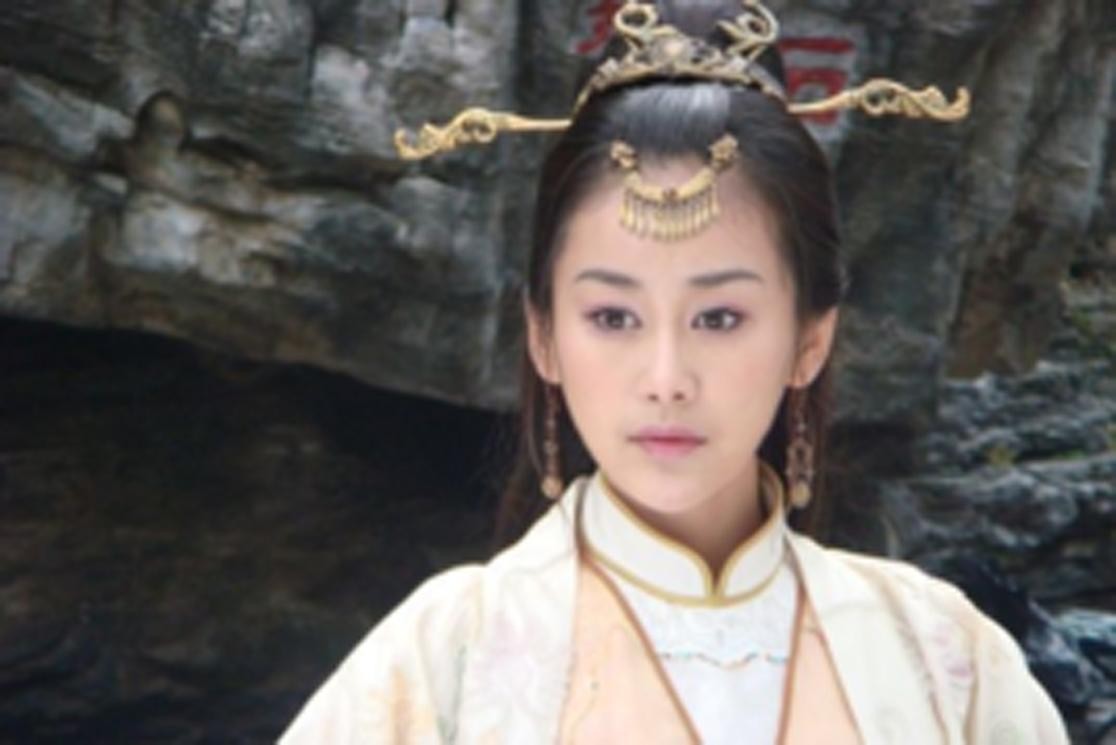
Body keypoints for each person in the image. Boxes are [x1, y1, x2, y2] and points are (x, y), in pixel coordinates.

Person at [280, 1, 1068, 742]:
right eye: (613, 317)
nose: (666, 377)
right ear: (544, 336)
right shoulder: (440, 662)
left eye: (718, 318)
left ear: (809, 339)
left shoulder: (943, 658)